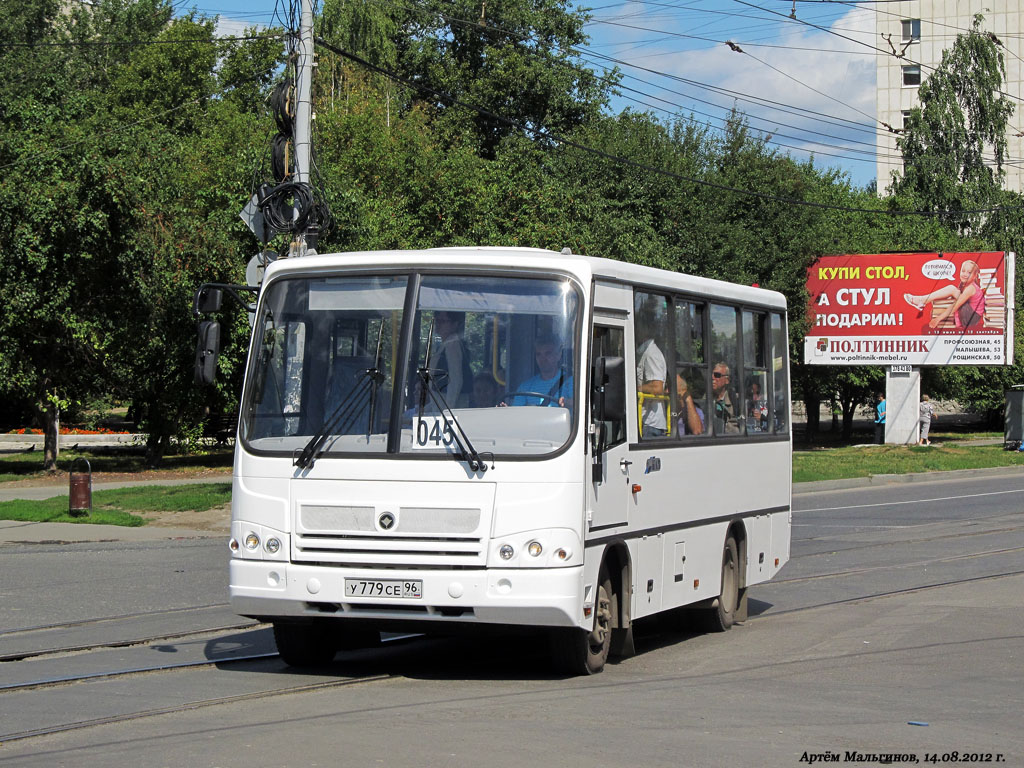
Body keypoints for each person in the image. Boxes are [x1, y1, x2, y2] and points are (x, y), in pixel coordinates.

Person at [904, 260, 986, 331]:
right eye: (963, 271)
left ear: (975, 276)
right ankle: (922, 300)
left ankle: (922, 300)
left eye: (969, 272)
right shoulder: (965, 285)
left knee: (952, 290)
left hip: (971, 318)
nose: (965, 274)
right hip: (970, 314)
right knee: (952, 289)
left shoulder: (971, 288)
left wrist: (937, 319)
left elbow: (956, 305)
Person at [506, 334, 573, 407]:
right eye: (538, 354)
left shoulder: (570, 382)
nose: (542, 359)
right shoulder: (525, 387)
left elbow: (579, 405)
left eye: (548, 354)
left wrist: (566, 403)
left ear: (558, 355)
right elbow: (517, 413)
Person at [636, 308, 668, 438]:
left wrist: (635, 389)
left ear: (646, 329)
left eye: (637, 325)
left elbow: (657, 387)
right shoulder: (644, 352)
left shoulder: (651, 354)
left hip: (650, 424)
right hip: (646, 421)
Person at [430, 311, 472, 406]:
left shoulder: (453, 344)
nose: (438, 324)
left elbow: (455, 380)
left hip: (449, 404)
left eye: (443, 321)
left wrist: (448, 411)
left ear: (455, 324)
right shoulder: (444, 345)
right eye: (437, 320)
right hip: (440, 402)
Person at [711, 362, 740, 434]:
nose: (713, 377)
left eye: (717, 375)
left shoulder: (735, 401)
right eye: (712, 374)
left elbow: (738, 430)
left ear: (727, 380)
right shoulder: (706, 399)